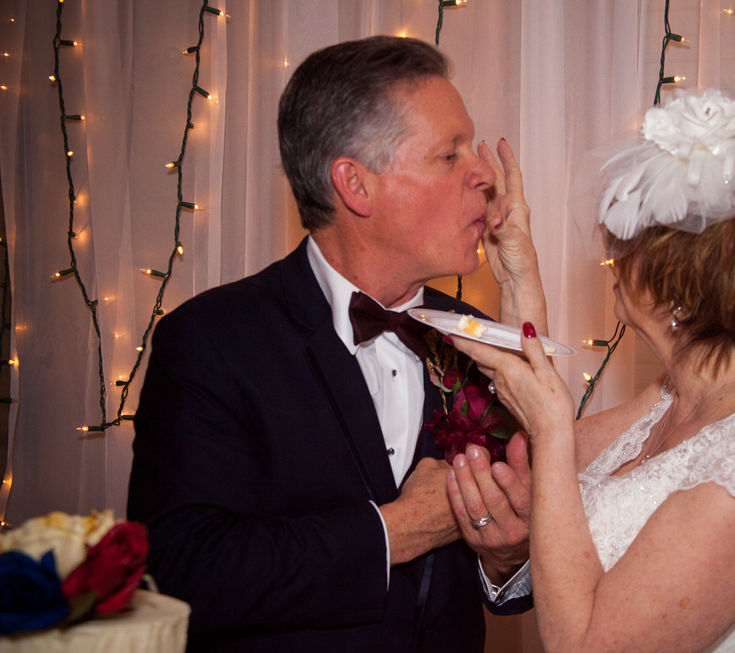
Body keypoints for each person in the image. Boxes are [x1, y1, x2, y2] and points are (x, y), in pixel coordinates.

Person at [127, 36, 541, 652]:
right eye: (449, 155)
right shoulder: (212, 341)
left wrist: (506, 558)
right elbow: (181, 573)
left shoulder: (477, 340)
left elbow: (505, 578)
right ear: (355, 185)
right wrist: (398, 529)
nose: (483, 173)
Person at [447, 89, 735, 652]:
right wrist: (519, 282)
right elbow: (549, 472)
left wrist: (552, 428)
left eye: (634, 242)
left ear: (685, 291)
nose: (613, 256)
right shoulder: (683, 393)